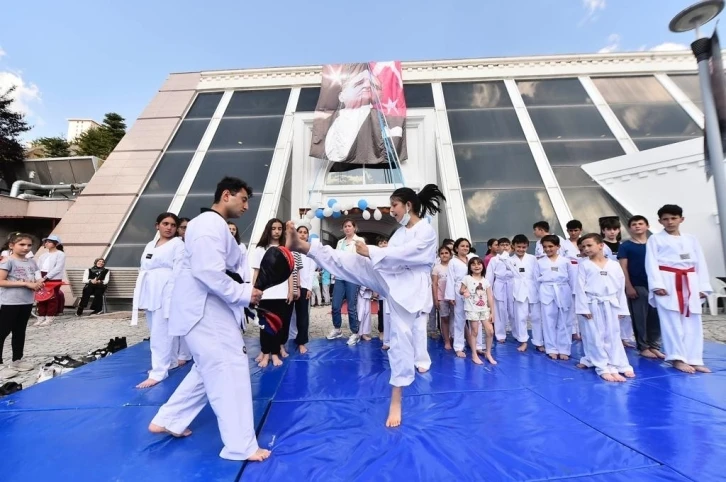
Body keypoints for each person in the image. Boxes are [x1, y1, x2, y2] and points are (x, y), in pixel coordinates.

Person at [285, 184, 444, 428]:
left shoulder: (426, 231)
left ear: (408, 206)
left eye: (394, 206)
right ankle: (305, 247)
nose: (392, 211)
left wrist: (369, 251)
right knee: (350, 261)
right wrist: (367, 255)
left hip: (411, 286)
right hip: (392, 275)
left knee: (400, 339)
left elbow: (407, 254)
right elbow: (392, 254)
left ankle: (396, 399)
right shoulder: (400, 232)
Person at [149, 176, 269, 462]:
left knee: (207, 367)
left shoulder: (212, 226)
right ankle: (240, 445)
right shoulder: (207, 226)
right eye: (243, 199)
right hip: (204, 309)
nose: (246, 206)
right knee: (228, 369)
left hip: (207, 307)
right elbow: (207, 272)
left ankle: (170, 418)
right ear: (226, 195)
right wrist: (244, 294)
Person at [645, 204, 712, 374]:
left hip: (690, 281)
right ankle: (677, 358)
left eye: (674, 218)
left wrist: (703, 286)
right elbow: (651, 263)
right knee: (671, 322)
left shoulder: (691, 239)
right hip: (668, 282)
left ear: (681, 219)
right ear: (660, 221)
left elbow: (700, 263)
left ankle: (694, 359)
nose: (670, 222)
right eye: (666, 219)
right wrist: (657, 285)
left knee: (693, 322)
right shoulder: (655, 239)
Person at [131, 213, 187, 389]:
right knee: (154, 327)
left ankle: (158, 372)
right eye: (165, 223)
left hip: (166, 289)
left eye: (173, 224)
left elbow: (179, 270)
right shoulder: (150, 244)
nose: (169, 227)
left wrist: (172, 296)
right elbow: (144, 267)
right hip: (150, 289)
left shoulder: (178, 244)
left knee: (160, 332)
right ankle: (169, 362)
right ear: (157, 226)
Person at [575, 234, 635, 382]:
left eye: (589, 245)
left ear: (601, 245)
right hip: (592, 303)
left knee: (613, 334)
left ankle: (617, 364)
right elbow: (580, 288)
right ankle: (602, 366)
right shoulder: (584, 265)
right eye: (583, 247)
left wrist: (622, 309)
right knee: (595, 335)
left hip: (611, 302)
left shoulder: (614, 265)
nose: (586, 249)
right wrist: (584, 308)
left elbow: (620, 288)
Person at [619, 215, 664, 359]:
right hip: (637, 285)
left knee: (655, 317)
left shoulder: (655, 244)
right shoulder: (626, 246)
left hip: (655, 285)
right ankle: (643, 346)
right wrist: (629, 286)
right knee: (640, 318)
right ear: (630, 228)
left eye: (640, 223)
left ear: (647, 226)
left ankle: (654, 345)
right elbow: (623, 267)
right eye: (634, 224)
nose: (637, 226)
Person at [251, 219, 294, 368]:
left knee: (278, 326)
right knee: (264, 326)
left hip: (281, 295)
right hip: (264, 295)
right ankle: (265, 353)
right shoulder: (260, 249)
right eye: (274, 228)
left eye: (279, 228)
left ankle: (275, 353)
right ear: (268, 230)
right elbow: (256, 271)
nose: (276, 231)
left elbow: (289, 273)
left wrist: (290, 290)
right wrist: (253, 291)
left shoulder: (285, 249)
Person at [0, 233, 43, 380]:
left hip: (26, 301)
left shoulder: (31, 262)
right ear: (12, 245)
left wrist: (38, 282)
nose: (26, 248)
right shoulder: (7, 261)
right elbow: (1, 281)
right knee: (3, 332)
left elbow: (37, 276)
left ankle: (17, 360)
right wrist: (25, 283)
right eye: (22, 245)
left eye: (29, 245)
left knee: (20, 331)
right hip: (9, 302)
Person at [534, 235, 576, 360]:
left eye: (551, 246)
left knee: (565, 320)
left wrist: (573, 294)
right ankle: (551, 348)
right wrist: (540, 294)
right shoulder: (540, 262)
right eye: (545, 247)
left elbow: (572, 279)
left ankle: (564, 349)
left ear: (558, 246)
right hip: (546, 290)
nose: (548, 249)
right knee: (548, 321)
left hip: (563, 290)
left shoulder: (565, 261)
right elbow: (536, 280)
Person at [328, 219, 363, 346]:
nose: (347, 228)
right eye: (345, 226)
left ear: (354, 228)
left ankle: (355, 332)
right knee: (335, 306)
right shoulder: (340, 242)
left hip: (352, 277)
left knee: (351, 307)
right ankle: (337, 329)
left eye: (349, 226)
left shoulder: (359, 241)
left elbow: (361, 260)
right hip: (340, 277)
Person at [460, 257, 496, 365]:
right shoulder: (467, 278)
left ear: (482, 266)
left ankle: (488, 353)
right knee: (474, 331)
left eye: (479, 264)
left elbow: (490, 296)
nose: (477, 266)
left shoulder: (485, 281)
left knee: (490, 331)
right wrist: (464, 292)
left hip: (484, 309)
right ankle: (474, 354)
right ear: (470, 267)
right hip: (472, 309)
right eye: (474, 264)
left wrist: (492, 312)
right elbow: (461, 290)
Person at [509, 234, 540, 352]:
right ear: (513, 246)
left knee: (536, 317)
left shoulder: (532, 258)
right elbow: (502, 257)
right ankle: (523, 341)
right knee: (520, 317)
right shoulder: (510, 260)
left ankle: (538, 342)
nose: (521, 249)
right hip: (519, 291)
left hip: (533, 290)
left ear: (527, 247)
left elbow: (537, 275)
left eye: (523, 247)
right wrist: (510, 251)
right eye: (518, 247)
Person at [289, 224, 315, 354]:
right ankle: (290, 338)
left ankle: (301, 342)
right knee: (288, 315)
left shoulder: (310, 251)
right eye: (300, 232)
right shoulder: (290, 248)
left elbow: (311, 271)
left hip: (304, 287)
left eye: (305, 232)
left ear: (308, 235)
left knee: (302, 316)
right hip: (289, 286)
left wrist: (309, 288)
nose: (303, 234)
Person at [445, 238, 472, 358]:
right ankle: (459, 346)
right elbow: (450, 279)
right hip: (458, 290)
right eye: (462, 246)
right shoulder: (453, 262)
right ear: (456, 248)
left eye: (467, 246)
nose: (465, 248)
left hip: (473, 291)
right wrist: (451, 296)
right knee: (459, 319)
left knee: (475, 318)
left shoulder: (472, 259)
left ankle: (477, 345)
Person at [484, 237, 514, 343]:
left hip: (511, 284)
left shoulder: (513, 259)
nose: (505, 247)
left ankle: (516, 332)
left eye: (507, 245)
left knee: (513, 310)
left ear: (510, 246)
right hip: (499, 284)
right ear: (498, 247)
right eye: (502, 245)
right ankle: (500, 334)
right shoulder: (494, 259)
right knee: (499, 310)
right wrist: (488, 292)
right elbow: (489, 276)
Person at [34, 234, 66, 326]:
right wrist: (39, 278)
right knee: (41, 297)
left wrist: (45, 277)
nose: (47, 243)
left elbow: (58, 268)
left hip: (53, 278)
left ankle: (49, 317)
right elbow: (37, 268)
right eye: (46, 242)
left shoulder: (60, 254)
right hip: (41, 277)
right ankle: (41, 317)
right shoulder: (43, 255)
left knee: (52, 297)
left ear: (55, 244)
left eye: (49, 242)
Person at [432, 245, 452, 350]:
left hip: (453, 297)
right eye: (442, 253)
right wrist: (436, 298)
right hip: (441, 297)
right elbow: (434, 284)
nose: (444, 255)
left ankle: (454, 338)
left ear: (450, 254)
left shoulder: (453, 266)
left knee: (454, 319)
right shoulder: (437, 268)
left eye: (446, 253)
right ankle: (447, 341)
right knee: (444, 319)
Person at [375, 236, 390, 349]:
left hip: (393, 289)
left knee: (394, 314)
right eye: (381, 242)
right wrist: (375, 289)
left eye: (385, 242)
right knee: (382, 313)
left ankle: (393, 336)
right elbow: (375, 276)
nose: (383, 244)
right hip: (381, 290)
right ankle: (383, 333)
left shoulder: (392, 256)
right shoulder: (376, 259)